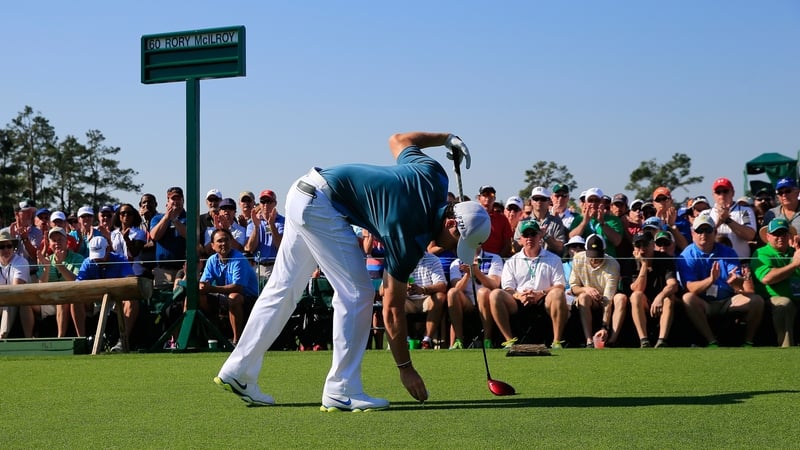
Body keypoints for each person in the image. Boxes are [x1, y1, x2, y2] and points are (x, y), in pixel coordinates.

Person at [214, 131, 490, 410]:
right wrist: (405, 368)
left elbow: (399, 140)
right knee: (357, 293)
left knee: (282, 289)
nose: (455, 250)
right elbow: (392, 309)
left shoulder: (434, 174)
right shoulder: (409, 233)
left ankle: (239, 370)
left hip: (303, 190)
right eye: (459, 243)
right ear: (451, 225)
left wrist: (445, 138)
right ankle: (342, 388)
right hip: (321, 205)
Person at [676, 214, 764, 347]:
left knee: (757, 301)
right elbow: (691, 288)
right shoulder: (686, 255)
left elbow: (737, 280)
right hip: (704, 302)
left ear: (715, 232)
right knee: (688, 298)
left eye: (708, 230)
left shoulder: (728, 252)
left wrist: (736, 282)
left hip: (727, 300)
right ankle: (712, 341)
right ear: (692, 233)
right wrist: (711, 279)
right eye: (699, 230)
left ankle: (748, 342)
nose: (703, 234)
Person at [484, 221, 568, 349]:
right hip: (518, 300)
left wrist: (541, 293)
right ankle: (509, 340)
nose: (529, 238)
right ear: (521, 239)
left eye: (533, 234)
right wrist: (520, 295)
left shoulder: (553, 258)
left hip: (544, 299)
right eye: (526, 235)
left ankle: (557, 341)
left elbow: (560, 285)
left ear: (540, 236)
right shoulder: (512, 261)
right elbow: (508, 288)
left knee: (557, 293)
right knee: (495, 294)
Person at [200, 228, 260, 345]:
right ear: (212, 245)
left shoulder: (239, 259)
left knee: (234, 297)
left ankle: (237, 341)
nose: (223, 244)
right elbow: (205, 283)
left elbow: (238, 288)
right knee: (197, 297)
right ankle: (202, 337)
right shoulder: (212, 260)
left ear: (231, 242)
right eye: (220, 241)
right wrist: (202, 287)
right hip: (224, 297)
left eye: (226, 240)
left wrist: (210, 288)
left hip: (248, 299)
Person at [77, 236, 136, 352]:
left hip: (116, 300)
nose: (97, 260)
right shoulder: (88, 262)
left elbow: (131, 280)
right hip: (94, 300)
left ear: (108, 249)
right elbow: (78, 285)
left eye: (100, 255)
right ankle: (81, 341)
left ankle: (122, 342)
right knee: (75, 300)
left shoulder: (120, 260)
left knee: (132, 301)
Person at [570, 233, 628, 347]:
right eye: (592, 255)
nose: (595, 259)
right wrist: (586, 289)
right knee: (583, 297)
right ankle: (589, 341)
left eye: (598, 255)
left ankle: (611, 341)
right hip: (590, 300)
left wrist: (604, 326)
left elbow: (608, 298)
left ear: (604, 251)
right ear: (586, 250)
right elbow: (574, 288)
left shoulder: (613, 264)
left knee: (621, 298)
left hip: (606, 299)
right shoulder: (578, 259)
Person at [750, 218, 800, 347]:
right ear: (767, 236)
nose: (780, 237)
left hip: (797, 297)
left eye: (783, 233)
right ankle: (786, 349)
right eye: (776, 234)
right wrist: (794, 264)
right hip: (771, 299)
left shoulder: (795, 252)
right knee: (785, 304)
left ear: (789, 235)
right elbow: (767, 278)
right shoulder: (761, 253)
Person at [27, 227, 84, 338]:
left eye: (60, 239)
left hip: (69, 298)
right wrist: (47, 268)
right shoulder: (47, 260)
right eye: (54, 240)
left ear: (66, 241)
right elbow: (41, 287)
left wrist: (60, 266)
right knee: (24, 302)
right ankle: (27, 339)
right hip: (49, 300)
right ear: (49, 244)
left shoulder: (78, 258)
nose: (57, 243)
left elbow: (76, 282)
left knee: (61, 299)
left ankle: (60, 338)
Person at [629, 232, 680, 348]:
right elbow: (638, 289)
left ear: (652, 245)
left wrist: (660, 297)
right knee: (636, 296)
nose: (642, 249)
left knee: (669, 297)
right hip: (644, 303)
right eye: (638, 245)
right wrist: (644, 265)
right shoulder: (632, 261)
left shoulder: (665, 258)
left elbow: (673, 285)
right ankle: (644, 340)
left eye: (645, 244)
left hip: (661, 302)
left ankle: (662, 341)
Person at [447, 247, 503, 349]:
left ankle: (487, 340)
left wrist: (476, 272)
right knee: (452, 293)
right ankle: (458, 341)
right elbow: (457, 289)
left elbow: (494, 285)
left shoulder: (494, 258)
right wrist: (468, 274)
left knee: (483, 292)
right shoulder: (456, 262)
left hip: (487, 300)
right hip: (467, 301)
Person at [400, 252, 447, 349]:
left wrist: (423, 289)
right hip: (406, 301)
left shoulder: (433, 259)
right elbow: (383, 289)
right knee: (390, 298)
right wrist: (401, 287)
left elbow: (442, 285)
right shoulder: (398, 259)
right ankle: (405, 340)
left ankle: (427, 340)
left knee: (440, 296)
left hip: (426, 299)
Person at [704, 177, 756, 260]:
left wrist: (728, 220)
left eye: (725, 191)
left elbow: (750, 235)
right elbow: (703, 238)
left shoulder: (744, 211)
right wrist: (718, 222)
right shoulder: (705, 214)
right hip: (715, 262)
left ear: (732, 192)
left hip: (740, 262)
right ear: (713, 195)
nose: (722, 195)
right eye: (718, 192)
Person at [245, 189, 285, 284]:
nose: (266, 204)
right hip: (258, 267)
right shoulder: (253, 222)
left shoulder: (283, 221)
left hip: (276, 267)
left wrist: (271, 225)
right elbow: (250, 248)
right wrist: (256, 227)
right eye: (263, 202)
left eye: (269, 201)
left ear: (275, 203)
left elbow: (280, 246)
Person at [150, 187, 188, 287]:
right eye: (173, 199)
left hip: (183, 270)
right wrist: (166, 218)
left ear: (183, 200)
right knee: (162, 299)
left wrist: (174, 220)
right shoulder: (157, 218)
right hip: (163, 271)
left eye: (178, 198)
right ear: (168, 201)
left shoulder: (189, 217)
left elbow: (190, 235)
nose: (176, 201)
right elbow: (154, 236)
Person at [569, 188, 624, 258]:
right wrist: (584, 223)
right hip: (584, 261)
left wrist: (602, 222)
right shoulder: (579, 219)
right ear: (585, 203)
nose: (593, 204)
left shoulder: (613, 220)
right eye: (590, 200)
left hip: (607, 261)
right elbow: (571, 238)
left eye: (597, 200)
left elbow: (617, 241)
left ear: (602, 202)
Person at [0, 228, 29, 339]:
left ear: (13, 247)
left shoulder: (21, 261)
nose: (6, 249)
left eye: (9, 246)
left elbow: (15, 289)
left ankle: (2, 337)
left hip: (17, 300)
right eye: (2, 247)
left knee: (9, 302)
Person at [520, 186, 567, 256]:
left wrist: (545, 236)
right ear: (531, 201)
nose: (539, 201)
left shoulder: (557, 221)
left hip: (551, 262)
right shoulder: (523, 222)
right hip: (527, 261)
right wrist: (530, 237)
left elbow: (560, 247)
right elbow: (516, 247)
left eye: (543, 199)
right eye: (536, 199)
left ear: (549, 201)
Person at [110, 204, 147, 277]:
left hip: (135, 272)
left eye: (129, 213)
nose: (126, 215)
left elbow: (135, 253)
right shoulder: (113, 234)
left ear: (134, 216)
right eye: (123, 213)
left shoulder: (139, 233)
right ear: (119, 215)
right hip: (117, 272)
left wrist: (126, 239)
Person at [476, 185, 513, 257]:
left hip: (495, 260)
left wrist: (498, 259)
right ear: (479, 198)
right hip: (475, 259)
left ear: (494, 198)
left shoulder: (502, 219)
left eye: (491, 195)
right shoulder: (473, 217)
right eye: (484, 195)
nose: (488, 197)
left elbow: (507, 244)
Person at [651, 186, 689, 251]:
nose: (662, 202)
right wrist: (657, 223)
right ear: (654, 204)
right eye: (658, 200)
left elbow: (685, 247)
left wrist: (672, 226)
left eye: (664, 199)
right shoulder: (650, 223)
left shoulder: (682, 222)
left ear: (671, 201)